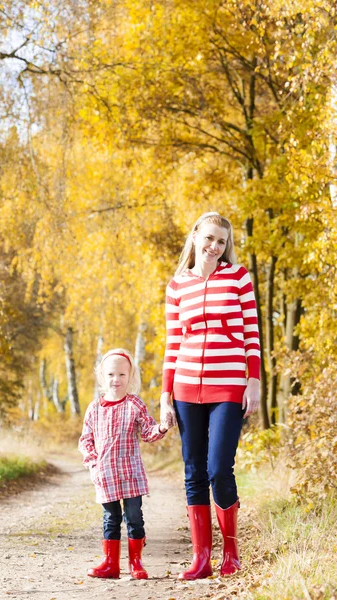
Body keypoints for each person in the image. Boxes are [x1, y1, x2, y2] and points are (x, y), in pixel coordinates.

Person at [160, 212, 261, 579]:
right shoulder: (177, 285)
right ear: (196, 236)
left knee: (219, 468)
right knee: (193, 471)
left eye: (221, 241)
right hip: (186, 386)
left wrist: (255, 381)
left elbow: (252, 332)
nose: (215, 247)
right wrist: (164, 395)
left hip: (229, 384)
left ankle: (230, 553)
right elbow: (172, 344)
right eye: (209, 239)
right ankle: (201, 558)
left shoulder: (238, 278)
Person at [79, 347, 169, 580]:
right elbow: (85, 440)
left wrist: (161, 427)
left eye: (121, 375)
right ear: (102, 377)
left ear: (131, 377)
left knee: (134, 516)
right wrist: (93, 463)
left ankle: (135, 562)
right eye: (110, 375)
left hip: (131, 474)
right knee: (111, 518)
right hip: (105, 474)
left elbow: (147, 432)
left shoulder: (134, 404)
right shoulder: (94, 409)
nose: (116, 380)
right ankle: (110, 563)